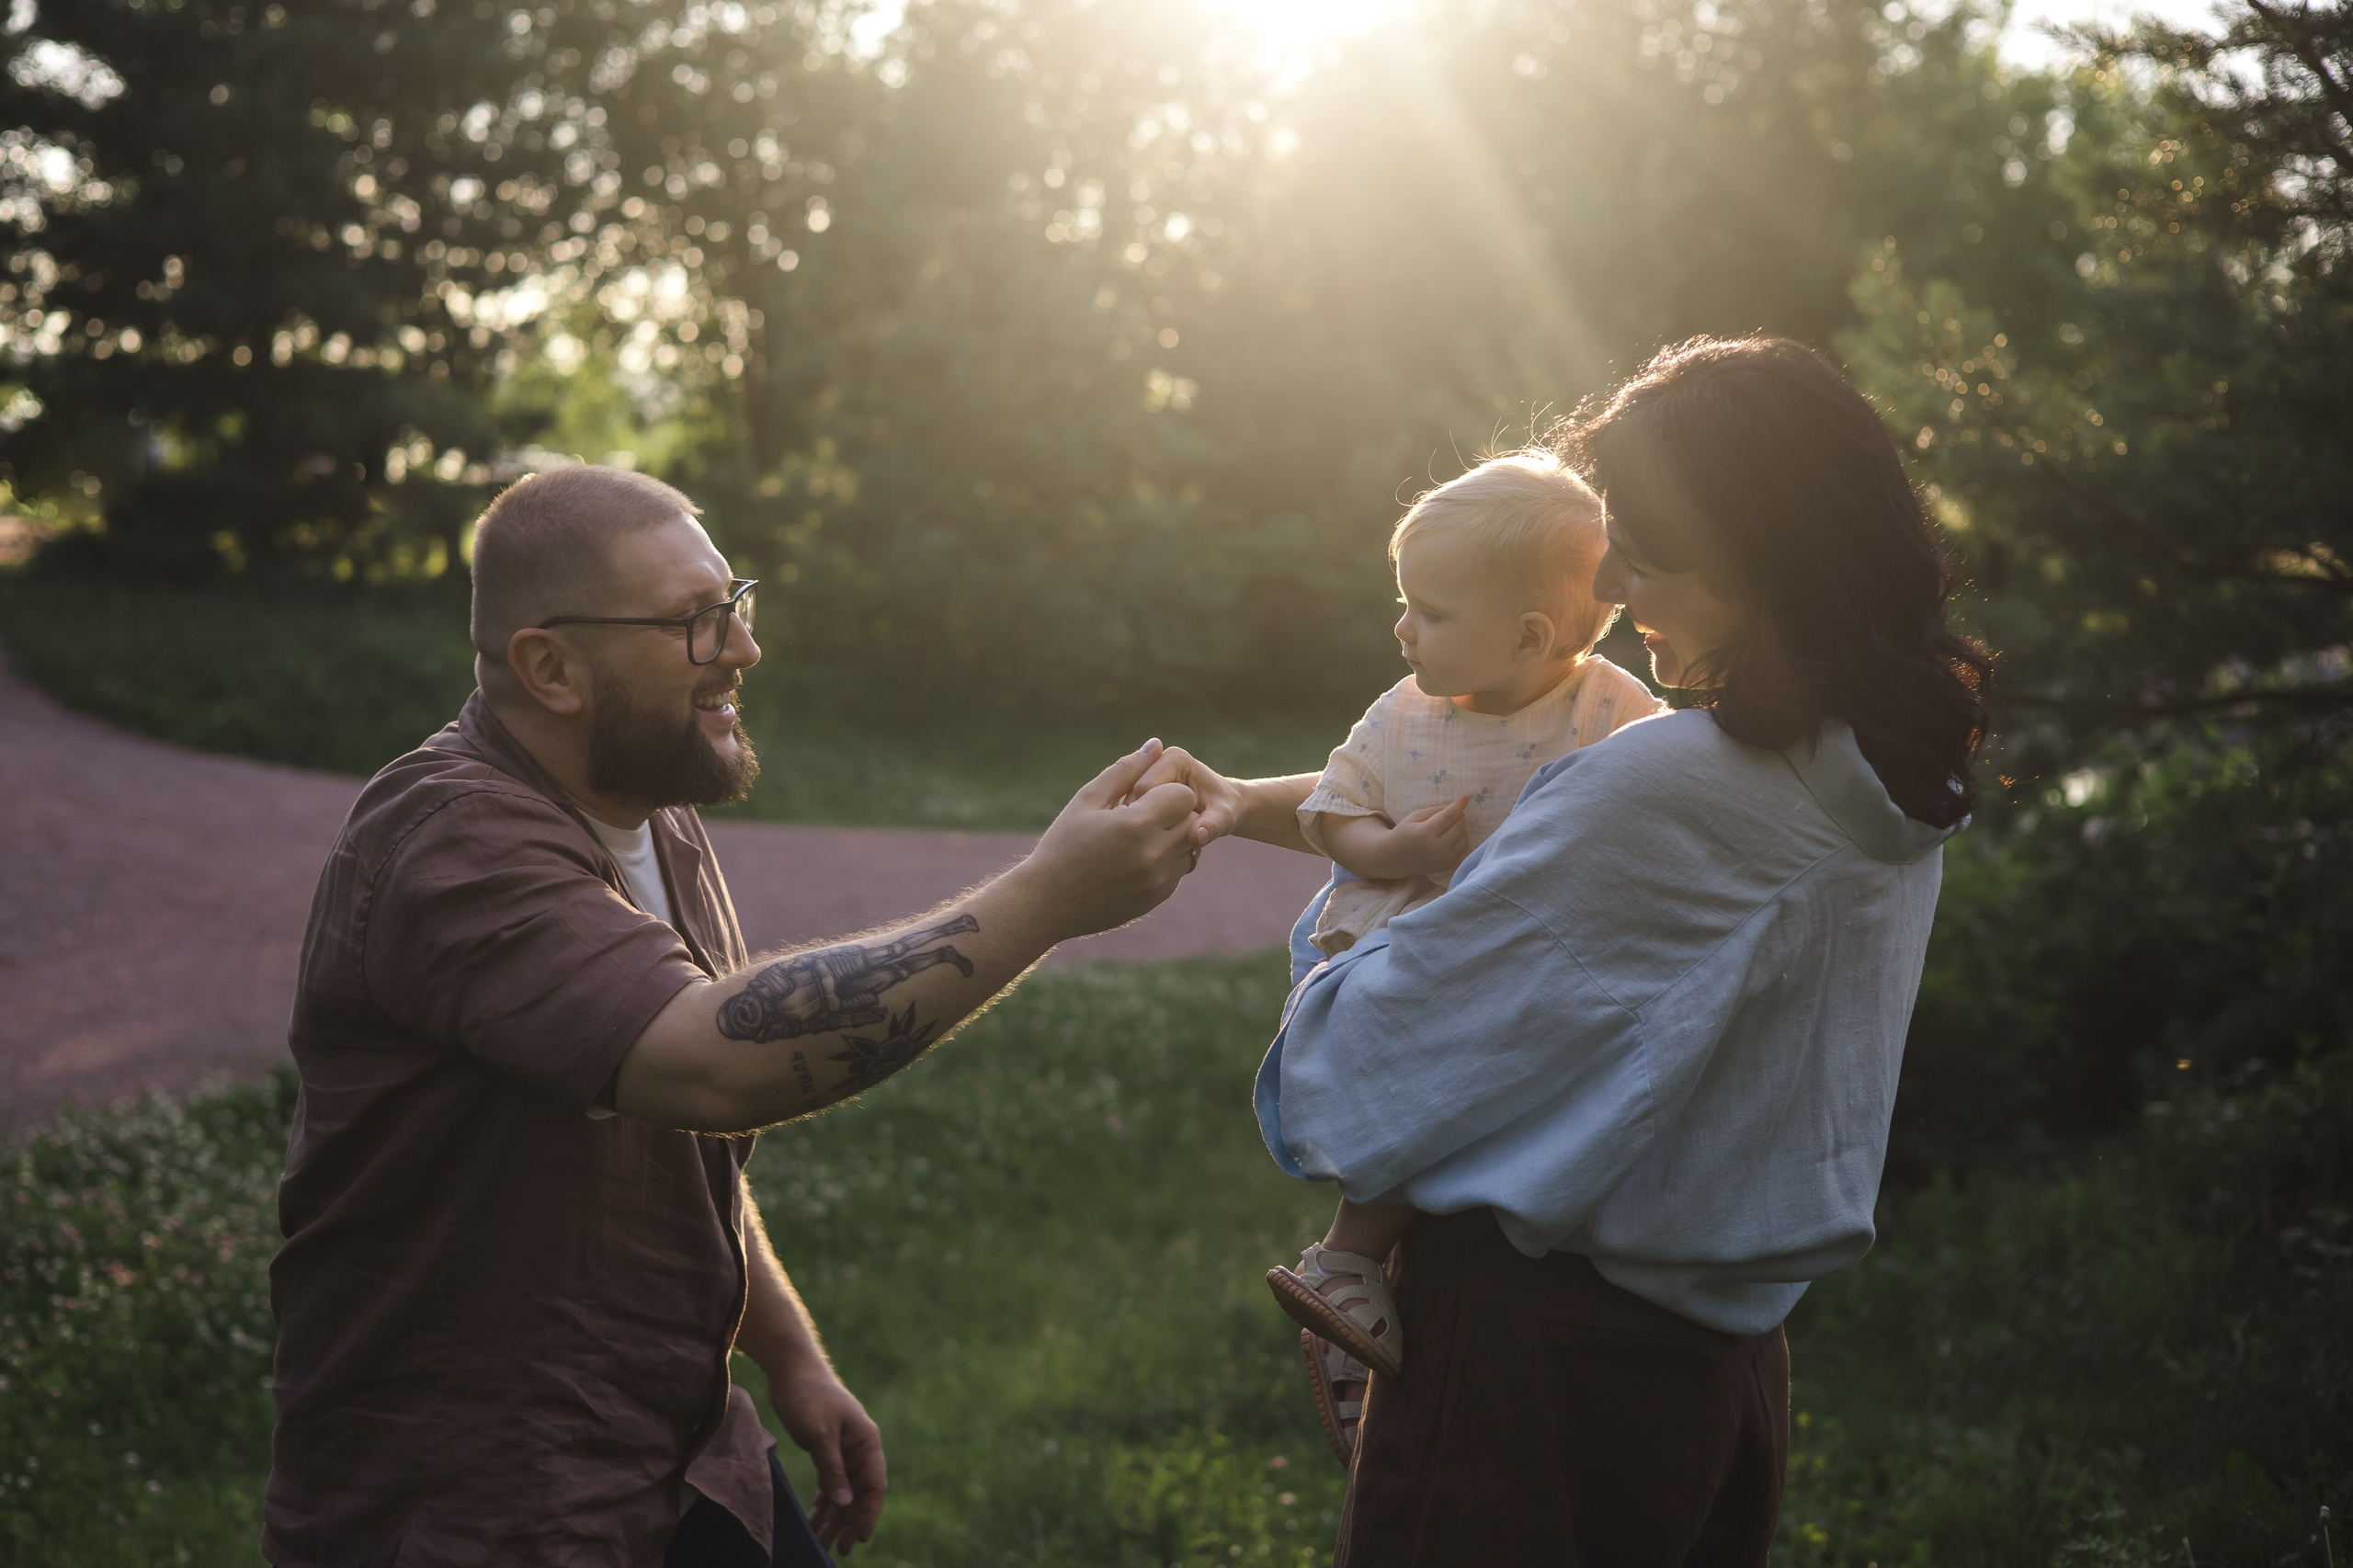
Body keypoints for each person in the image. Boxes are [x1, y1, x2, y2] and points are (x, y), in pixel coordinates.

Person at [1138, 335, 1990, 1564]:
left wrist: (1349, 940)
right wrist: (1267, 804)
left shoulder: (1662, 786)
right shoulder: (1890, 772)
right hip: (1728, 1371)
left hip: (1535, 1365)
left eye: (1649, 547)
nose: (1620, 583)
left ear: (1768, 554)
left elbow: (1356, 1075)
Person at [265, 464, 1201, 1566]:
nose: (741, 648)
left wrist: (790, 1355)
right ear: (551, 666)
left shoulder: (645, 806)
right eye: (694, 622)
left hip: (679, 1443)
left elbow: (677, 1120)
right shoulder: (448, 840)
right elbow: (712, 1065)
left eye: (736, 603)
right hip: (478, 1492)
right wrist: (1047, 898)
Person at [1258, 450, 1664, 1394]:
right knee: (1426, 1079)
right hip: (1405, 948)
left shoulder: (1611, 710)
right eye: (1405, 603)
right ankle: (1346, 1264)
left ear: (1530, 636)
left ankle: (1375, 1314)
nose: (1402, 630)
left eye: (1430, 613)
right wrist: (1390, 849)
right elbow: (1333, 806)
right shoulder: (1402, 713)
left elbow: (1662, 800)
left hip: (1527, 957)